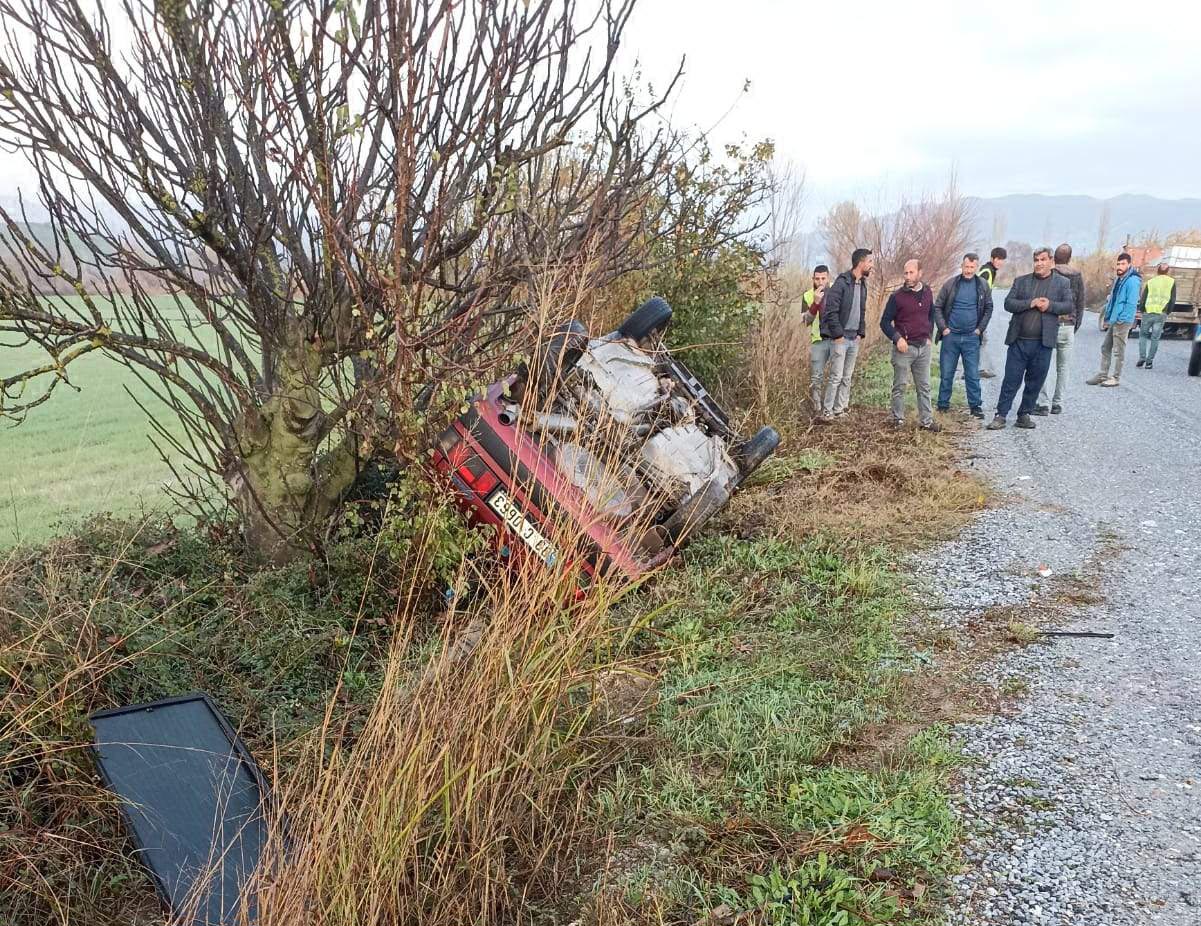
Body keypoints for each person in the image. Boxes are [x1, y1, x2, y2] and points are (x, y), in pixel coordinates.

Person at [987, 247, 1074, 430]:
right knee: (1011, 379)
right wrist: (1030, 303)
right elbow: (1008, 303)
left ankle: (1024, 414)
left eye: (1043, 260)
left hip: (1043, 343)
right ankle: (1001, 415)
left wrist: (1050, 305)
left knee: (1035, 381)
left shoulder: (1062, 283)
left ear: (1051, 261)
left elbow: (1068, 305)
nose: (1039, 263)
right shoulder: (1022, 282)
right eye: (1036, 260)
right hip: (1019, 340)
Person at [880, 258, 938, 431]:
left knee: (924, 386)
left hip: (923, 347)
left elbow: (931, 314)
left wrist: (929, 335)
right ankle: (897, 419)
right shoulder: (897, 297)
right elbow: (884, 322)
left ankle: (926, 421)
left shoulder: (927, 292)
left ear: (920, 273)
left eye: (911, 272)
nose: (908, 276)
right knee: (900, 386)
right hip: (904, 349)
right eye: (905, 273)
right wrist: (897, 338)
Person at [933, 252, 993, 419]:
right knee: (947, 373)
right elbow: (937, 307)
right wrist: (943, 328)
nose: (968, 270)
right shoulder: (950, 284)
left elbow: (989, 308)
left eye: (972, 267)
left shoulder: (982, 285)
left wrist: (979, 329)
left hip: (971, 338)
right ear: (962, 266)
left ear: (977, 267)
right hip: (951, 337)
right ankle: (943, 405)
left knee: (972, 374)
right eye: (966, 267)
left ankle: (975, 407)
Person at [817, 248, 872, 422]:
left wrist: (860, 333)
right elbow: (830, 312)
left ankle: (840, 410)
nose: (871, 265)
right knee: (836, 376)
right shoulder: (841, 283)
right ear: (861, 263)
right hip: (840, 339)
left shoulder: (863, 284)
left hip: (853, 338)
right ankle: (827, 411)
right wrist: (838, 335)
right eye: (869, 262)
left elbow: (862, 310)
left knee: (847, 377)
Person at [1034, 243, 1085, 415]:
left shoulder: (1050, 275)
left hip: (1050, 325)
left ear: (1053, 259)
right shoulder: (1077, 276)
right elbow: (1080, 303)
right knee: (1063, 367)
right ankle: (1058, 403)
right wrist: (1075, 325)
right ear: (1070, 258)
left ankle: (1042, 403)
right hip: (1068, 326)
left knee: (1044, 365)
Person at [1086, 253, 1141, 387]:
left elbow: (1131, 303)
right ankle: (1103, 374)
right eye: (1118, 264)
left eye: (1123, 264)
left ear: (1129, 264)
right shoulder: (1119, 279)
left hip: (1123, 321)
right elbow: (1113, 301)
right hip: (1114, 320)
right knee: (1106, 347)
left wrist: (1122, 319)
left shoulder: (1132, 280)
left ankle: (1116, 377)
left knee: (1118, 350)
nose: (1120, 266)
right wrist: (1108, 317)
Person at [800, 264, 831, 410]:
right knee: (816, 377)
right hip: (818, 340)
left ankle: (832, 408)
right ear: (813, 279)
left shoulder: (836, 292)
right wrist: (815, 303)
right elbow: (806, 321)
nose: (820, 282)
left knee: (835, 375)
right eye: (817, 279)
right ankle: (817, 408)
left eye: (823, 278)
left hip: (835, 339)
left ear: (828, 278)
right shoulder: (807, 295)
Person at [1136, 261, 1175, 370]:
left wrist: (1142, 309)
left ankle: (1142, 357)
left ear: (1157, 271)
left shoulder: (1151, 281)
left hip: (1148, 312)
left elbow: (1143, 298)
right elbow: (1172, 299)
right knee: (1155, 338)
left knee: (1143, 335)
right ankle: (1149, 362)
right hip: (1161, 313)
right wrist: (1168, 311)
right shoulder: (1171, 282)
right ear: (1167, 271)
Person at [975, 246, 1007, 378]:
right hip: (979, 312)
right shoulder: (987, 271)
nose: (1000, 262)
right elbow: (978, 292)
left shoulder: (990, 270)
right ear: (992, 258)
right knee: (980, 340)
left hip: (980, 311)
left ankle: (976, 368)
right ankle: (974, 369)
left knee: (981, 340)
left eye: (1002, 260)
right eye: (998, 259)